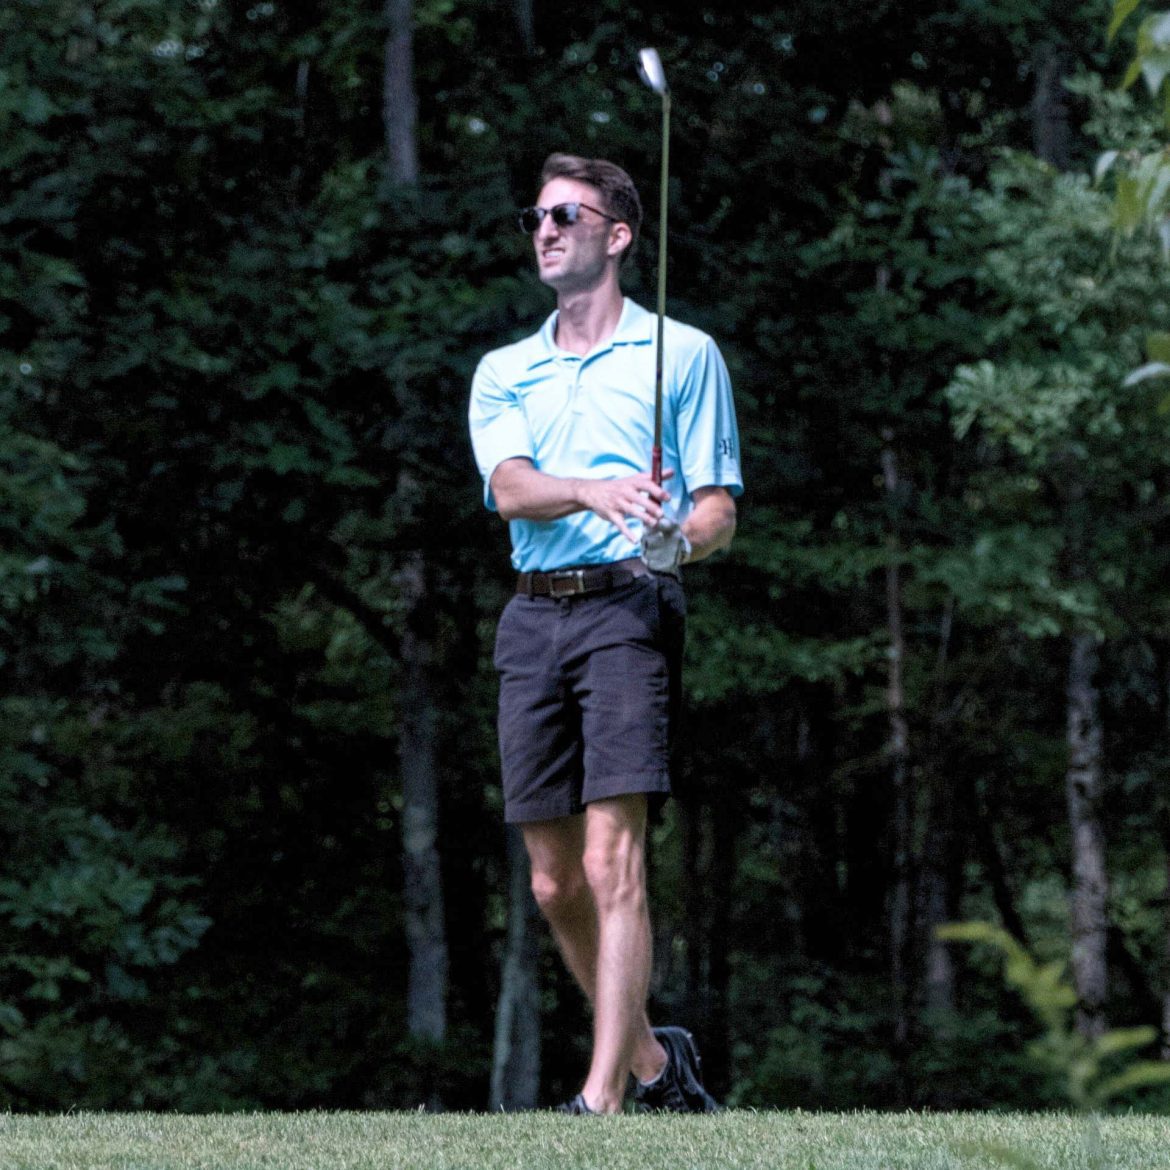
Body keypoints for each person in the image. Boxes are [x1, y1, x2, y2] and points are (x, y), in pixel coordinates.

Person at [468, 152, 742, 1115]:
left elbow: (716, 512)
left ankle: (600, 1100)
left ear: (616, 236)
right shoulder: (506, 371)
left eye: (566, 216)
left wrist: (678, 542)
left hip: (631, 607)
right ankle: (655, 1068)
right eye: (536, 217)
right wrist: (593, 487)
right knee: (551, 882)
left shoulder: (686, 353)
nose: (544, 230)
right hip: (533, 614)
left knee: (609, 856)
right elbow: (510, 490)